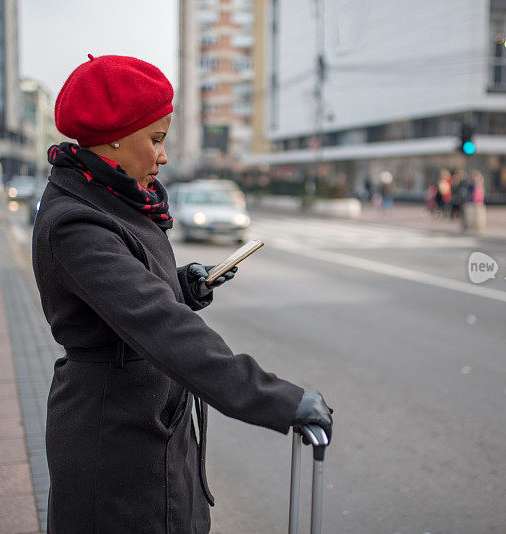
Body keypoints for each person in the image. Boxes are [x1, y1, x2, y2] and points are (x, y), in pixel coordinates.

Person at [31, 55, 333, 533]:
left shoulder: (112, 197)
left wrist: (182, 284)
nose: (163, 155)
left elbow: (132, 292)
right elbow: (161, 327)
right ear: (113, 137)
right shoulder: (76, 222)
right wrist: (279, 400)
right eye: (155, 139)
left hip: (150, 426)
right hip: (113, 447)